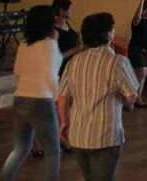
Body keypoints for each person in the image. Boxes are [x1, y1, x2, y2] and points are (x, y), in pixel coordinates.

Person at [57, 13, 139, 181]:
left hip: (78, 136)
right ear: (108, 34)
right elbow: (131, 96)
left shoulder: (74, 62)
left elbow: (62, 97)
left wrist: (64, 122)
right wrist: (127, 105)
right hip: (105, 136)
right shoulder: (118, 62)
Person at [0, 5, 62, 181]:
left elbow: (17, 71)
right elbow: (50, 74)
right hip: (41, 99)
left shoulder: (24, 44)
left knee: (20, 149)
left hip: (20, 97)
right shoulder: (49, 45)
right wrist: (58, 97)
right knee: (52, 150)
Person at [52, 0, 82, 77]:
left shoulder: (67, 23)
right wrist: (74, 50)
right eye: (70, 8)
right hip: (60, 68)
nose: (72, 11)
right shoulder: (54, 31)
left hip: (70, 66)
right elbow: (53, 57)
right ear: (61, 10)